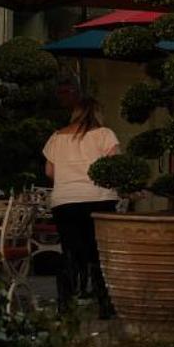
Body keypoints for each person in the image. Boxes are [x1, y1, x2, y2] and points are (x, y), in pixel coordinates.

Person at [41, 95, 121, 317]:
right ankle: (105, 305)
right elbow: (115, 167)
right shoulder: (105, 134)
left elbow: (50, 172)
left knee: (70, 251)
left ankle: (65, 304)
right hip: (99, 198)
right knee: (99, 253)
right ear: (97, 113)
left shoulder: (57, 137)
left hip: (65, 201)